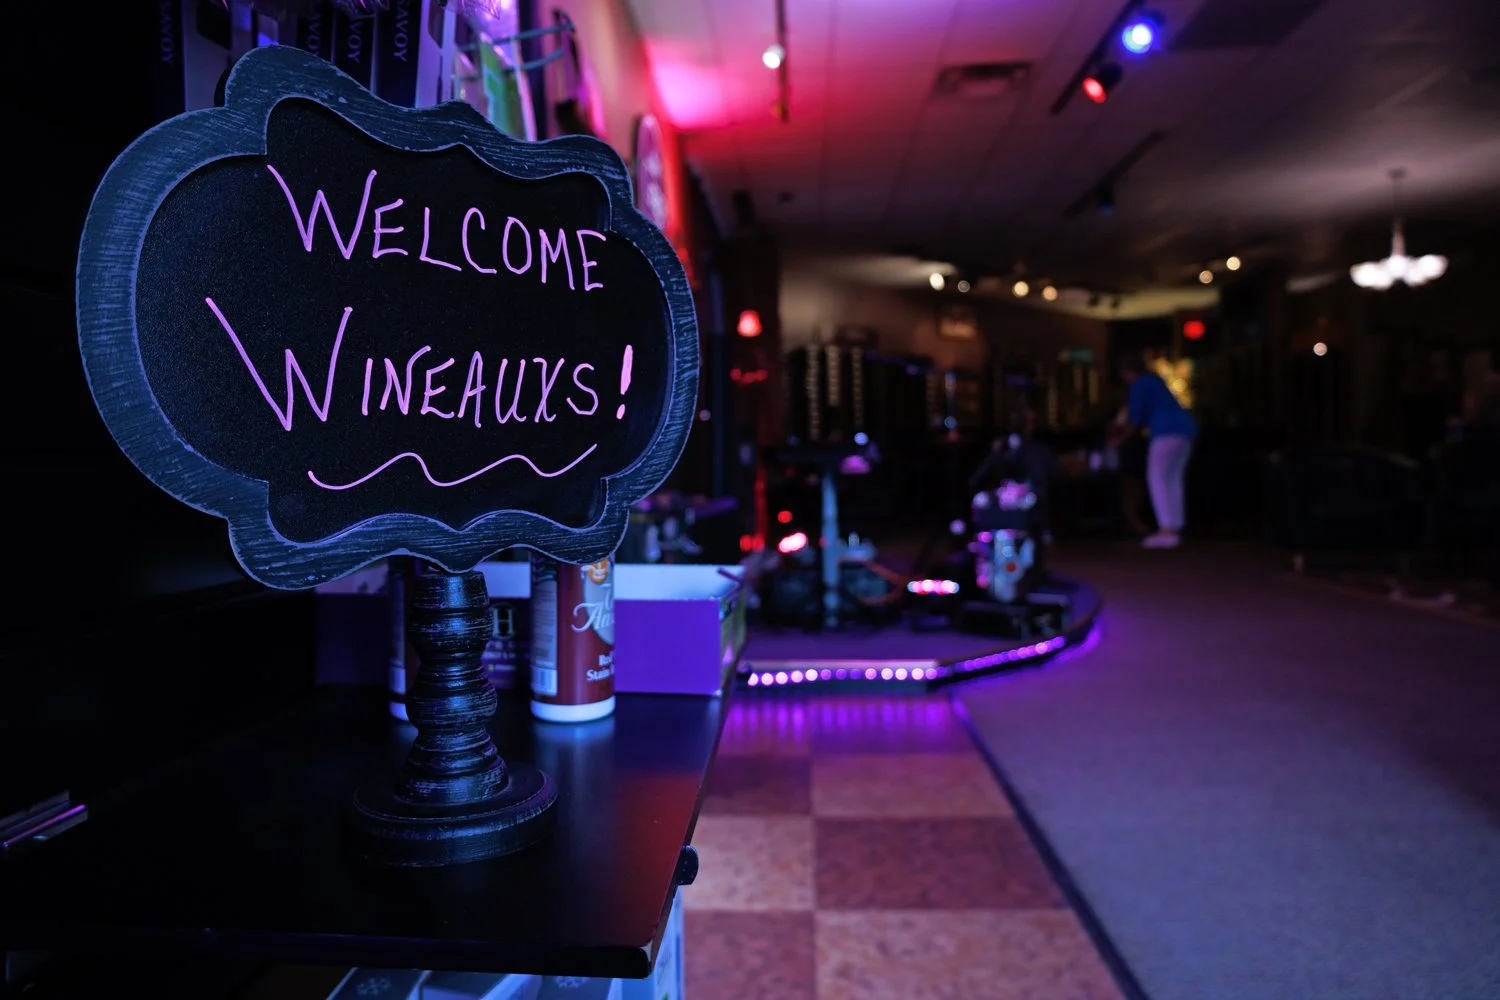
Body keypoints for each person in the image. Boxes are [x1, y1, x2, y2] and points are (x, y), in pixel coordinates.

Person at [1110, 352, 1196, 549]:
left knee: (1157, 478)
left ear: (1126, 372)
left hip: (1165, 432)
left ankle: (1166, 530)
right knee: (1173, 479)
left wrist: (1118, 440)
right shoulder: (1155, 381)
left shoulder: (1139, 384)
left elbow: (1135, 420)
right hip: (1186, 430)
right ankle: (1175, 527)